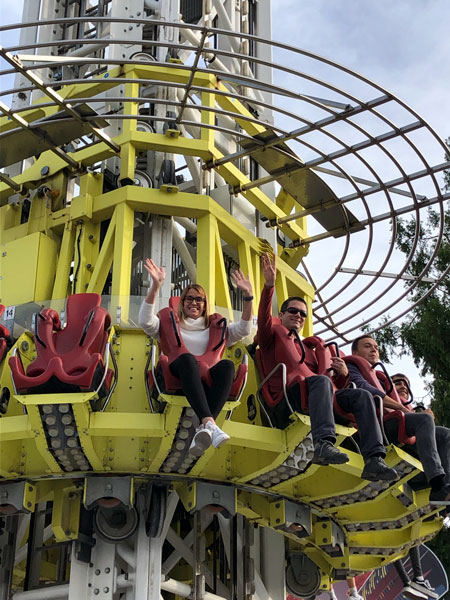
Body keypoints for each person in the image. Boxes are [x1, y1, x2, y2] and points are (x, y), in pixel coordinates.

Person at [257, 253, 397, 481]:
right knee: (320, 382)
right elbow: (263, 319)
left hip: (318, 395)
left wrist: (342, 377)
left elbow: (329, 383)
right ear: (281, 315)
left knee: (361, 395)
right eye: (293, 311)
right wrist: (269, 286)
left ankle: (374, 459)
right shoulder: (271, 336)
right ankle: (323, 444)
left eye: (303, 313)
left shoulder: (312, 351)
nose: (299, 316)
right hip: (285, 398)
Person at [138, 258, 253, 457]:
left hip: (206, 375)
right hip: (179, 369)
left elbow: (244, 328)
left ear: (205, 304)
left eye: (199, 299)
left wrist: (248, 297)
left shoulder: (217, 327)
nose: (194, 303)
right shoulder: (169, 323)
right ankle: (210, 424)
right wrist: (155, 287)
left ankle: (206, 427)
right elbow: (145, 322)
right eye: (189, 298)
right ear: (182, 302)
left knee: (226, 366)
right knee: (188, 359)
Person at [348, 335, 450, 505]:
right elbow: (363, 387)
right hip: (374, 424)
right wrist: (402, 408)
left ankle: (444, 487)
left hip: (393, 421)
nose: (374, 349)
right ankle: (437, 482)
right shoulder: (353, 366)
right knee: (423, 420)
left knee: (445, 434)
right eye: (367, 346)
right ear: (355, 351)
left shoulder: (380, 378)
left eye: (376, 347)